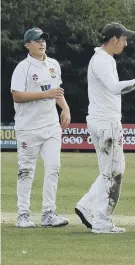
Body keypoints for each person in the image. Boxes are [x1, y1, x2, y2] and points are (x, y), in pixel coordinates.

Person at [75, 22, 135, 234]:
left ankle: (86, 205)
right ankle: (101, 221)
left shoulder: (104, 59)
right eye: (124, 39)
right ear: (113, 39)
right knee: (113, 173)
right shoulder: (102, 60)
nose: (126, 43)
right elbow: (114, 88)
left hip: (103, 121)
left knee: (112, 170)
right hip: (106, 123)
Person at [11, 27, 71, 228]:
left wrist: (65, 109)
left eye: (43, 39)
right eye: (37, 40)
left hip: (51, 125)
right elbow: (17, 96)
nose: (42, 43)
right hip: (28, 128)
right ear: (27, 45)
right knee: (26, 171)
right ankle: (23, 215)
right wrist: (46, 95)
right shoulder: (23, 68)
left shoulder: (53, 64)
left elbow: (57, 92)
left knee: (53, 167)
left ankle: (48, 214)